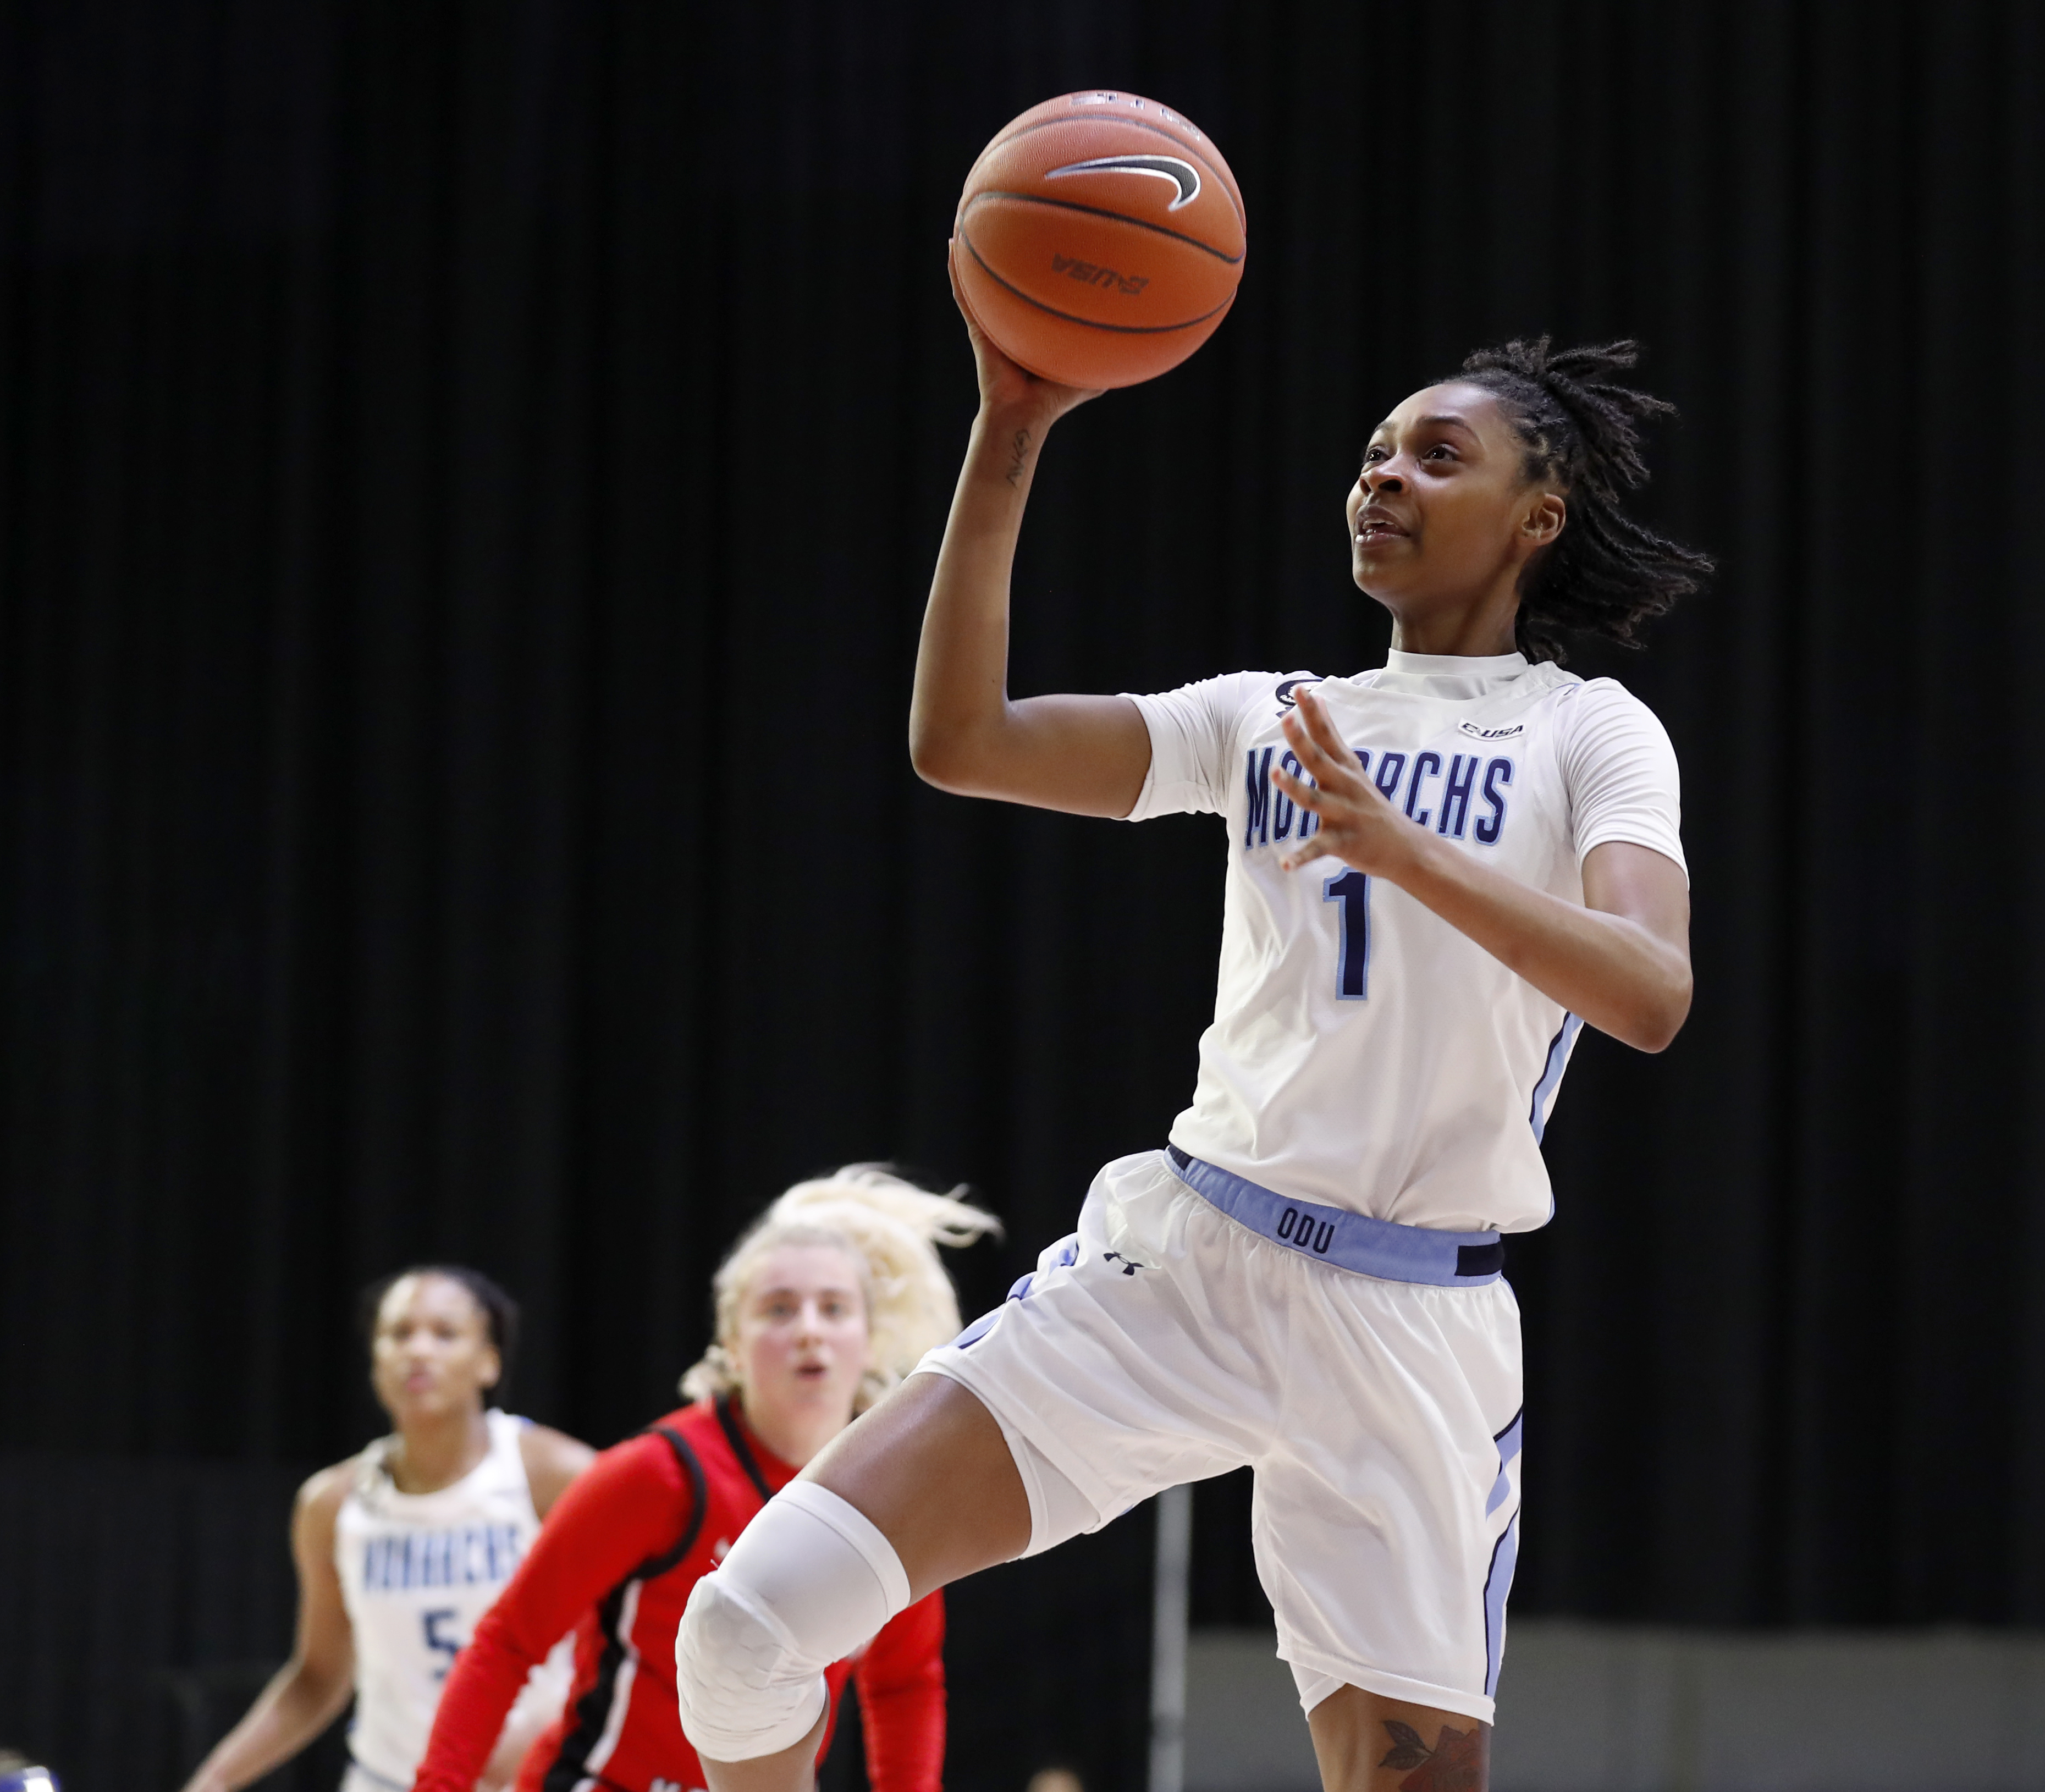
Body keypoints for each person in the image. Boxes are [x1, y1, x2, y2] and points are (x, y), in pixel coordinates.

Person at [673, 297, 1709, 1792]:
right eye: (1372, 456)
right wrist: (1010, 433)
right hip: (1185, 1264)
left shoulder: (1591, 734)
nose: (1384, 478)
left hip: (1409, 1327)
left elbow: (1651, 990)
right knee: (744, 1629)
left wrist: (1406, 850)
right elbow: (964, 740)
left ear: (1538, 516)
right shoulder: (1266, 718)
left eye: (1436, 454)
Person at [412, 1166, 996, 1792]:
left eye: (833, 1308)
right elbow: (507, 1641)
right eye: (778, 1308)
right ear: (732, 1344)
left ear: (868, 1342)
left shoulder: (888, 1495)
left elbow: (903, 1682)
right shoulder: (658, 1473)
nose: (808, 1329)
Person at [183, 1268, 592, 1792]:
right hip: (390, 1779)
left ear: (489, 1361)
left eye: (445, 1333)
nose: (418, 1350)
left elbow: (623, 1640)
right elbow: (318, 1677)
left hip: (532, 1776)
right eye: (399, 1333)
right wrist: (215, 1779)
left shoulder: (555, 1475)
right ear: (376, 1359)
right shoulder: (332, 1504)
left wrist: (545, 1730)